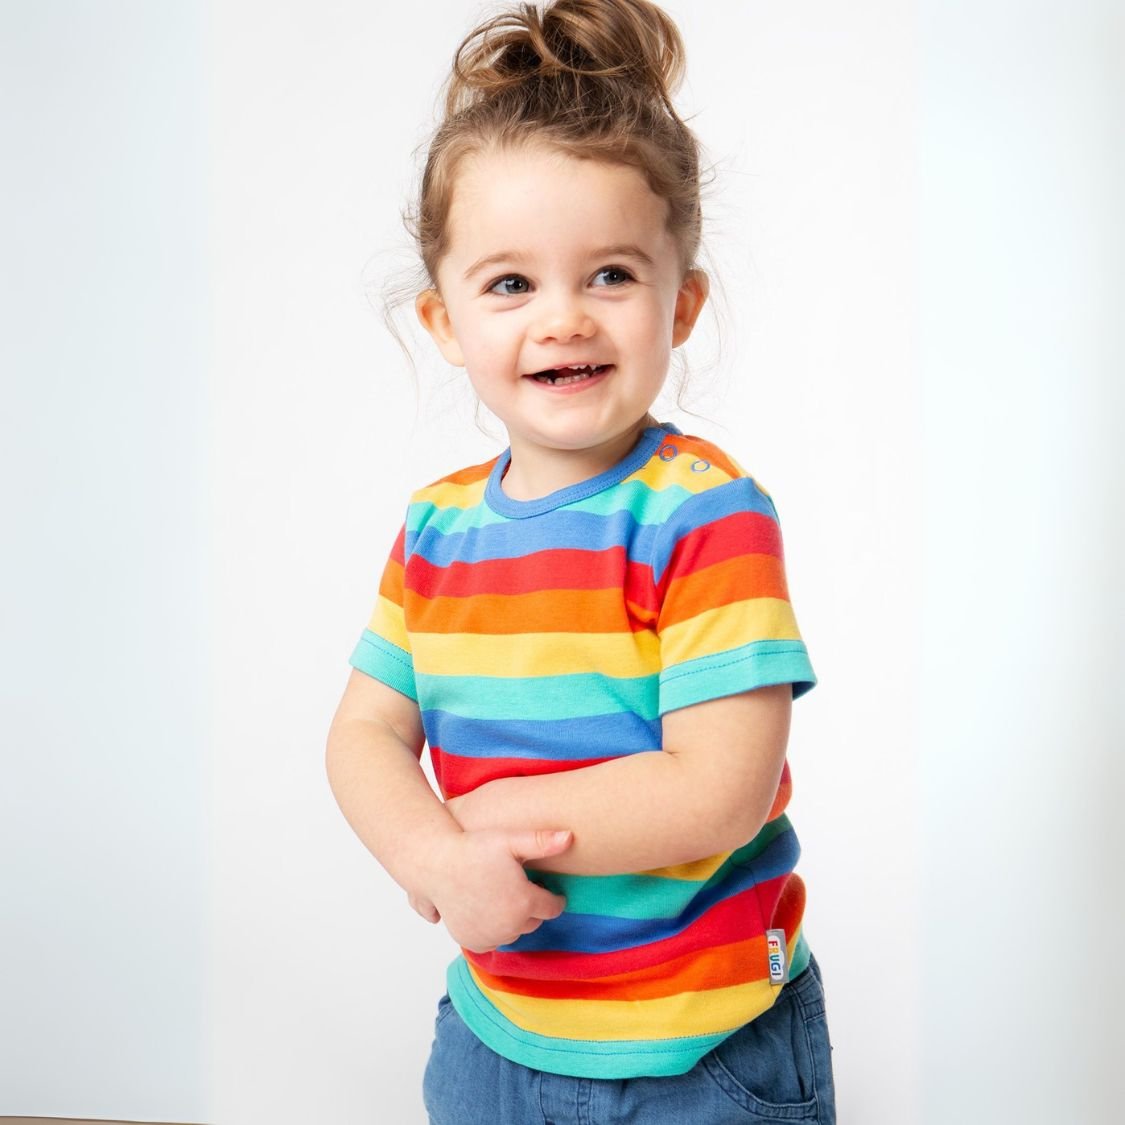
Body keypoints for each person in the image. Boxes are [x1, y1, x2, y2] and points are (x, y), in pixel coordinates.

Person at [325, 1, 835, 1121]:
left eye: (609, 274)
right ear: (446, 320)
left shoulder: (703, 516)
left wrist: (474, 828)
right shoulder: (435, 532)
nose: (562, 318)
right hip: (497, 1035)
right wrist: (427, 855)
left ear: (680, 301)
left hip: (703, 1050)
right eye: (511, 285)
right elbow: (364, 732)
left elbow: (718, 789)